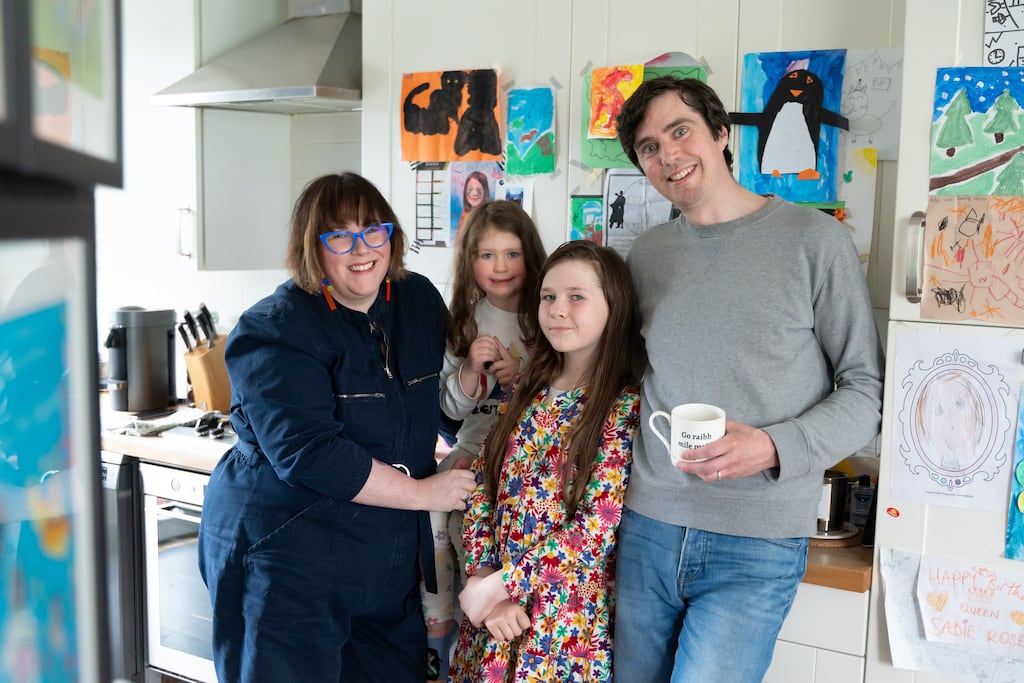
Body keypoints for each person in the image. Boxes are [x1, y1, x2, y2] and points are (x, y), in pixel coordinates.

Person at [611, 76, 884, 682]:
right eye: (649, 147)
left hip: (756, 540)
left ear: (720, 134)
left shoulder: (817, 241)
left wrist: (771, 446)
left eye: (679, 131)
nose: (668, 155)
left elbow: (866, 392)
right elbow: (624, 377)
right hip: (648, 526)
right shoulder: (647, 255)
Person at [197, 172, 477, 683]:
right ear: (313, 247)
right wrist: (424, 493)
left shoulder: (416, 301)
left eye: (374, 230)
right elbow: (310, 453)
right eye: (339, 236)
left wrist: (473, 386)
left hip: (385, 553)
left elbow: (432, 408)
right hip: (288, 552)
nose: (361, 248)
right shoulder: (272, 330)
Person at [448, 240, 642, 682]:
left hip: (559, 626)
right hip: (493, 618)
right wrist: (482, 581)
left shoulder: (622, 406)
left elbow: (595, 530)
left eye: (576, 297)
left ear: (614, 306)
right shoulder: (528, 386)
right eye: (549, 296)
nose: (557, 309)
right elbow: (483, 483)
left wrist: (504, 585)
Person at [424, 200, 547, 680]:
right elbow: (451, 410)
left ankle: (497, 603)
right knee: (438, 513)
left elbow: (562, 393)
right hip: (476, 444)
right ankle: (439, 622)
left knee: (498, 526)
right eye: (487, 255)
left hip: (529, 448)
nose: (500, 267)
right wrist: (473, 370)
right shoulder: (464, 320)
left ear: (530, 257)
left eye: (511, 254)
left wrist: (523, 375)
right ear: (469, 261)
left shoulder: (547, 310)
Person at [455, 170, 490, 240]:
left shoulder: (487, 215)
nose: (474, 193)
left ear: (485, 192)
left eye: (479, 190)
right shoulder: (465, 213)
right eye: (470, 189)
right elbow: (459, 238)